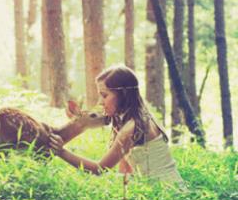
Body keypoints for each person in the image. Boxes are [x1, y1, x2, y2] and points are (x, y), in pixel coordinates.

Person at [49, 64, 185, 186]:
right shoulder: (138, 117)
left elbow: (99, 169)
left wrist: (61, 152)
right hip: (160, 191)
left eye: (104, 95)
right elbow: (125, 174)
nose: (100, 102)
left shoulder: (131, 128)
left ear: (123, 94)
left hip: (167, 192)